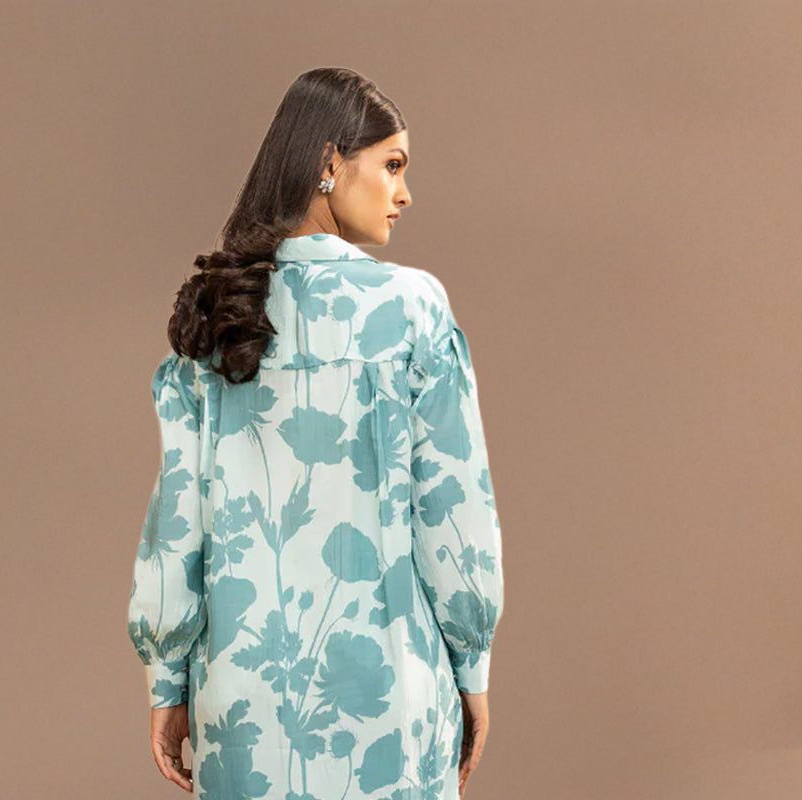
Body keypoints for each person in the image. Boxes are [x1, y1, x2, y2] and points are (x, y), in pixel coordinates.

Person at [127, 67, 503, 798]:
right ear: (330, 162)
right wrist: (473, 664)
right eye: (392, 165)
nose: (405, 193)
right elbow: (454, 513)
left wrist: (167, 678)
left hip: (242, 706)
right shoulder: (413, 309)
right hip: (391, 692)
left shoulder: (223, 314)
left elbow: (178, 519)